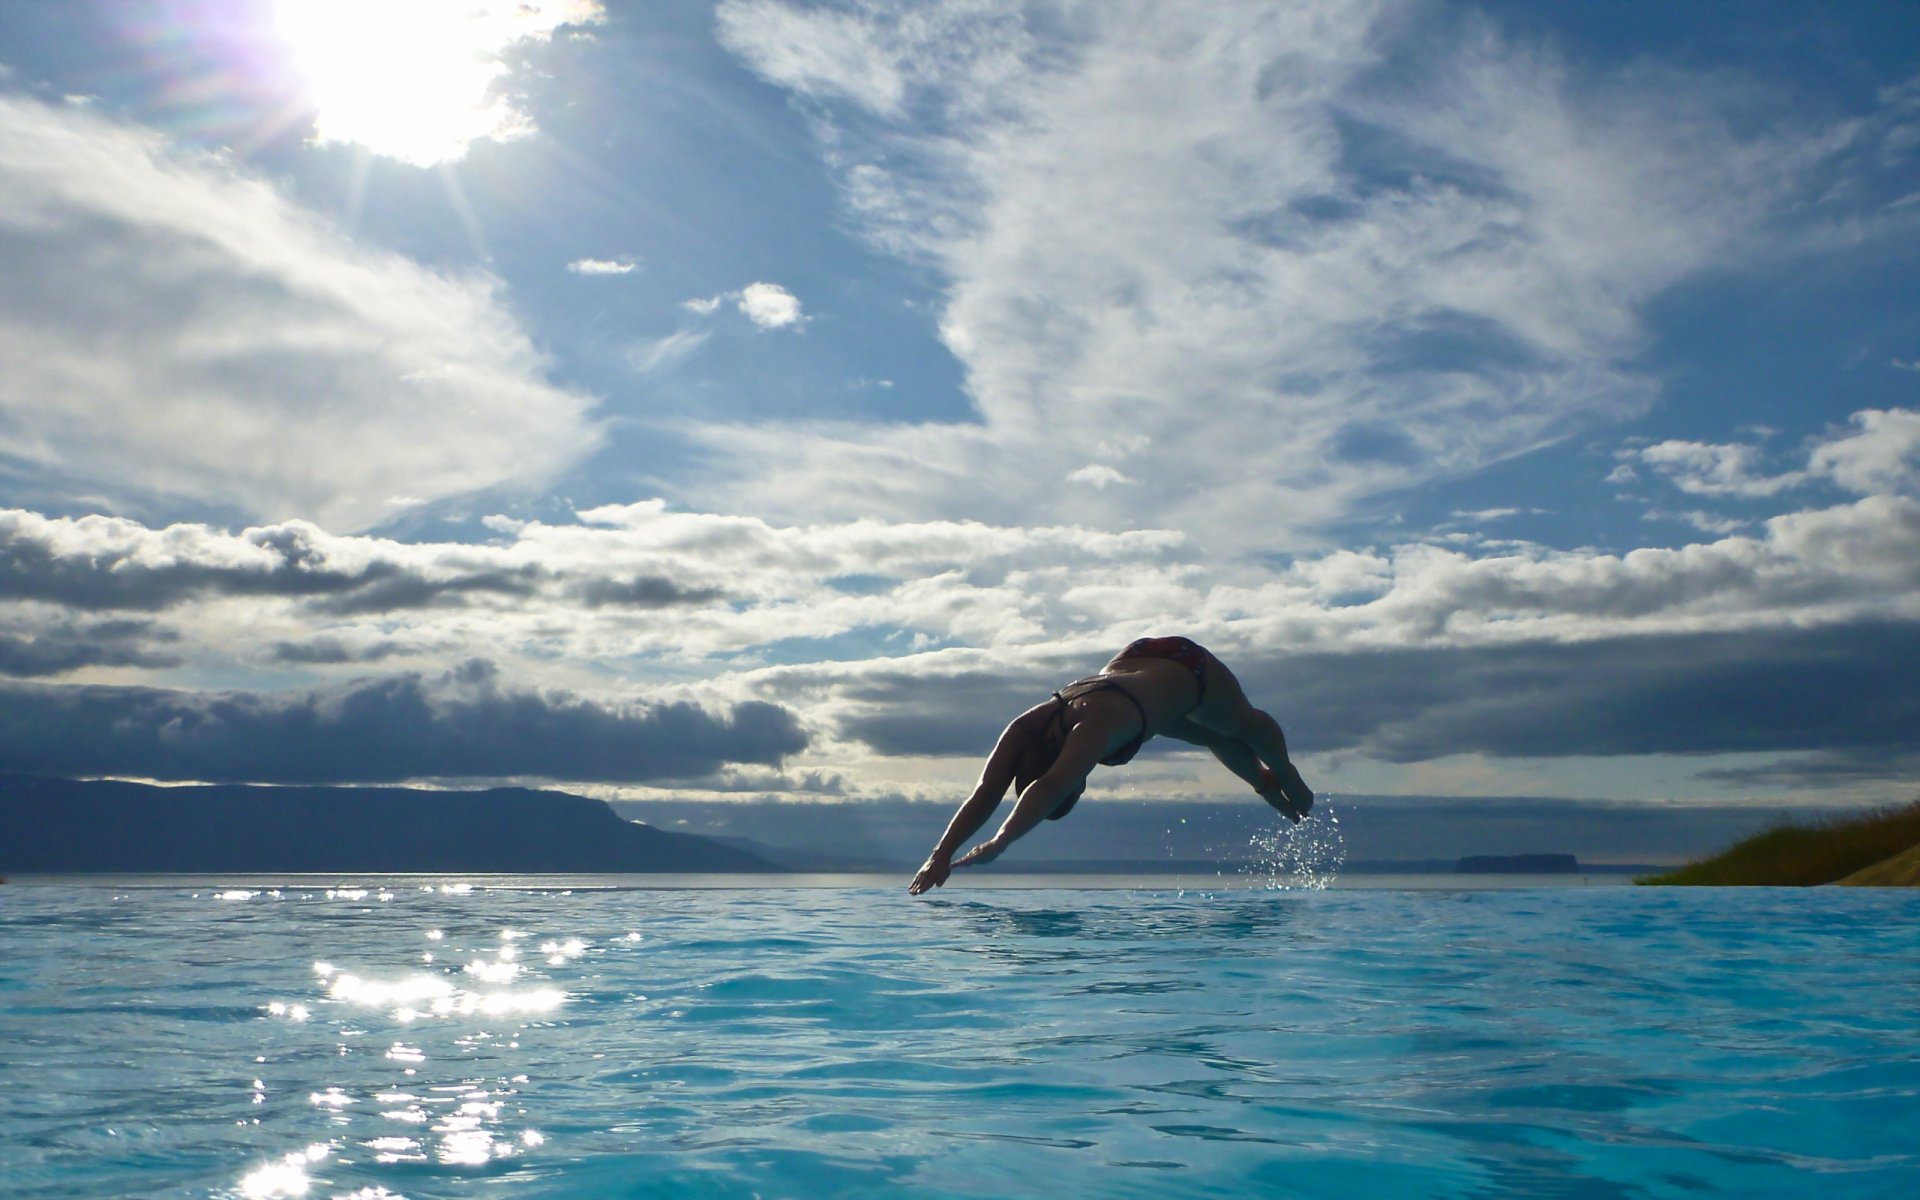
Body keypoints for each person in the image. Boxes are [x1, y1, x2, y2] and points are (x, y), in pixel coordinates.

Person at [908, 635, 1314, 894]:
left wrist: (1000, 842)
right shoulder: (1031, 724)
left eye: (1077, 784)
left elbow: (1048, 788)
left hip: (1191, 670)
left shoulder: (1092, 730)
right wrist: (940, 854)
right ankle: (1264, 784)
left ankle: (1286, 774)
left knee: (1238, 723)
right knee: (1210, 735)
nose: (1081, 780)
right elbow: (986, 792)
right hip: (1136, 667)